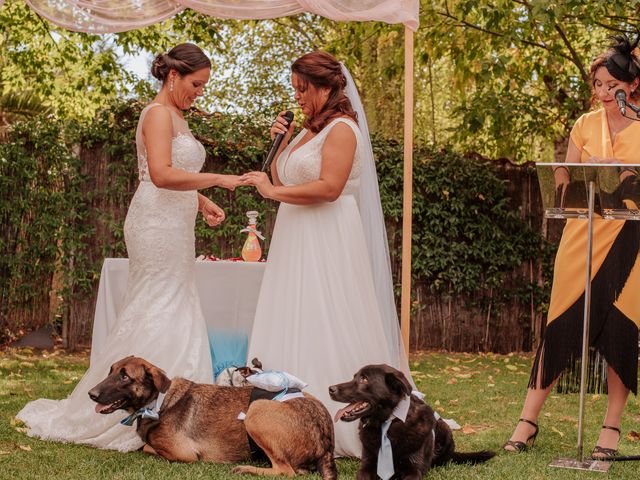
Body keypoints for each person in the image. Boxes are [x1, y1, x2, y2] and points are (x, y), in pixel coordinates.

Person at [16, 43, 240, 451]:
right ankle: (132, 400)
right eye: (196, 84)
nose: (199, 92)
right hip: (154, 223)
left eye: (204, 86)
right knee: (155, 302)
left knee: (176, 300)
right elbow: (159, 174)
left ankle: (171, 407)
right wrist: (218, 180)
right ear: (173, 77)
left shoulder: (176, 116)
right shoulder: (156, 114)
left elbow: (178, 174)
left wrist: (202, 202)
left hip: (174, 221)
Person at [240, 51, 412, 457]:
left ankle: (339, 419)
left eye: (303, 89)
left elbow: (329, 187)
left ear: (327, 87)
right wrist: (279, 141)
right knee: (293, 311)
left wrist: (272, 192)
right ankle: (286, 416)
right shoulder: (308, 130)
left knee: (326, 312)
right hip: (297, 234)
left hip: (328, 235)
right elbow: (285, 173)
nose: (297, 96)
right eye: (295, 88)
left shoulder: (342, 129)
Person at [504, 35, 640, 459]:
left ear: (630, 86)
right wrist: (567, 176)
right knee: (560, 323)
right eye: (595, 84)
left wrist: (620, 172)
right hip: (581, 235)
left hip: (630, 241)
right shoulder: (584, 124)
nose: (600, 92)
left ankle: (611, 428)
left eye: (608, 84)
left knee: (621, 328)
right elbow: (565, 172)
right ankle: (527, 421)